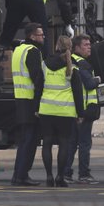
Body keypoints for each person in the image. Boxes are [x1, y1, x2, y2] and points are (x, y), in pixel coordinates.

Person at [37, 35, 85, 187]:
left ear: (56, 46)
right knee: (64, 144)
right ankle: (60, 177)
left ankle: (49, 176)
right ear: (70, 47)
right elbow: (78, 92)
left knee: (47, 143)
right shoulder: (73, 66)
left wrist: (35, 108)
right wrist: (80, 113)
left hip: (46, 109)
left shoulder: (45, 64)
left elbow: (38, 88)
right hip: (65, 111)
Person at [10, 23, 45, 186]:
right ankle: (22, 175)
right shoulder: (33, 51)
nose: (43, 37)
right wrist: (39, 105)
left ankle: (18, 175)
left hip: (20, 100)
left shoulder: (18, 50)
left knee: (24, 141)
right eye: (40, 34)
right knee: (29, 142)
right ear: (32, 36)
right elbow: (37, 79)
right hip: (31, 101)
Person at [63, 34, 101, 184]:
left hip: (73, 110)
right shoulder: (82, 64)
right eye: (85, 45)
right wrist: (97, 79)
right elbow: (89, 84)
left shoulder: (70, 61)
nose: (89, 47)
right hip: (84, 110)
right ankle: (84, 174)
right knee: (84, 144)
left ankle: (66, 172)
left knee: (72, 143)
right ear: (77, 47)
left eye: (89, 44)